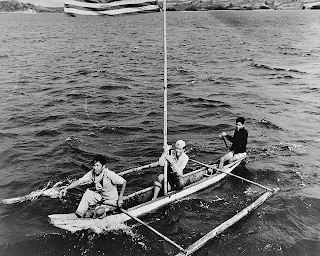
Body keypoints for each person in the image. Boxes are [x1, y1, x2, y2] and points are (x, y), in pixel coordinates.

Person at [60, 154, 127, 218]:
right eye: (94, 165)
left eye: (98, 166)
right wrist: (66, 188)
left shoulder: (109, 174)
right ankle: (78, 215)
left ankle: (103, 214)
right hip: (102, 198)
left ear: (103, 167)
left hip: (111, 201)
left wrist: (120, 199)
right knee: (87, 194)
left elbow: (124, 182)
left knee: (98, 211)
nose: (95, 168)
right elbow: (79, 181)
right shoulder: (92, 173)